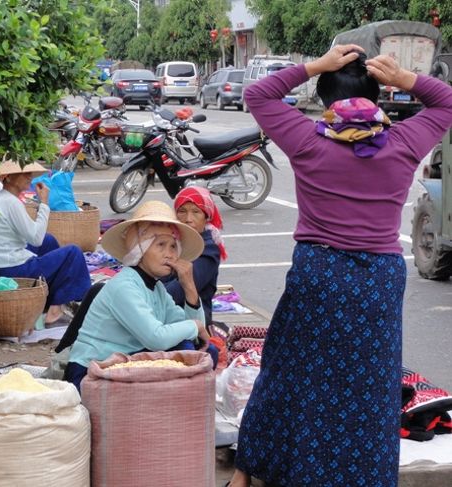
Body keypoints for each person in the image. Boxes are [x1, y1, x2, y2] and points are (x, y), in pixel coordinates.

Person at [228, 45, 452, 487]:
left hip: (319, 274)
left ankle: (264, 470)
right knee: (368, 389)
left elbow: (258, 94)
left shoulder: (308, 138)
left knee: (290, 373)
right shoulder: (404, 142)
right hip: (377, 282)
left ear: (327, 97)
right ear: (377, 94)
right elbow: (446, 99)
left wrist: (314, 65)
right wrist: (406, 79)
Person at [63, 200, 215, 392]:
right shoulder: (124, 286)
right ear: (139, 250)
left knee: (205, 352)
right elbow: (156, 339)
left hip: (124, 362)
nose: (169, 254)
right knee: (188, 352)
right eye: (160, 245)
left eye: (173, 247)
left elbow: (198, 338)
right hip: (90, 371)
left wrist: (190, 287)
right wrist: (194, 326)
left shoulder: (157, 288)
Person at [0, 159, 91, 324]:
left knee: (49, 240)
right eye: (24, 174)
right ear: (8, 177)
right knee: (73, 253)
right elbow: (35, 238)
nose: (30, 177)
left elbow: (33, 235)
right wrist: (44, 203)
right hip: (7, 270)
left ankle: (48, 295)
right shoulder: (10, 202)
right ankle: (56, 306)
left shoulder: (0, 198)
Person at [162, 186, 227, 325]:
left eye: (196, 212)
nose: (188, 219)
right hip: (167, 311)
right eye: (182, 211)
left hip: (193, 319)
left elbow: (177, 292)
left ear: (206, 217)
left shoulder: (209, 250)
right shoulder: (174, 242)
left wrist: (145, 298)